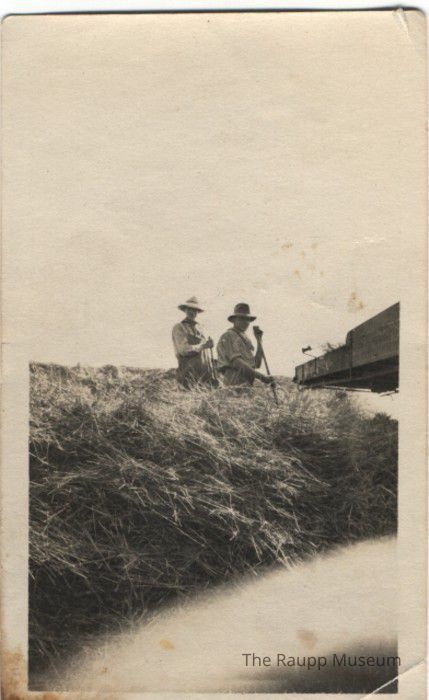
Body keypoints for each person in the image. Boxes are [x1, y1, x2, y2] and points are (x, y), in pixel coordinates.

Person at [216, 303, 274, 387]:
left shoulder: (245, 339)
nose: (246, 322)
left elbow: (257, 364)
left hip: (247, 381)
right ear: (234, 320)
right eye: (242, 318)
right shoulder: (229, 335)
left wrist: (259, 341)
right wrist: (261, 377)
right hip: (234, 380)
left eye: (248, 319)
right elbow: (237, 362)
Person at [172, 297, 215, 388]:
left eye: (195, 310)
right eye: (190, 309)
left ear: (197, 312)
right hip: (188, 378)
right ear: (185, 310)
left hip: (205, 378)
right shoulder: (179, 327)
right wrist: (204, 345)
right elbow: (184, 350)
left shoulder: (202, 329)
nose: (192, 312)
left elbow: (206, 356)